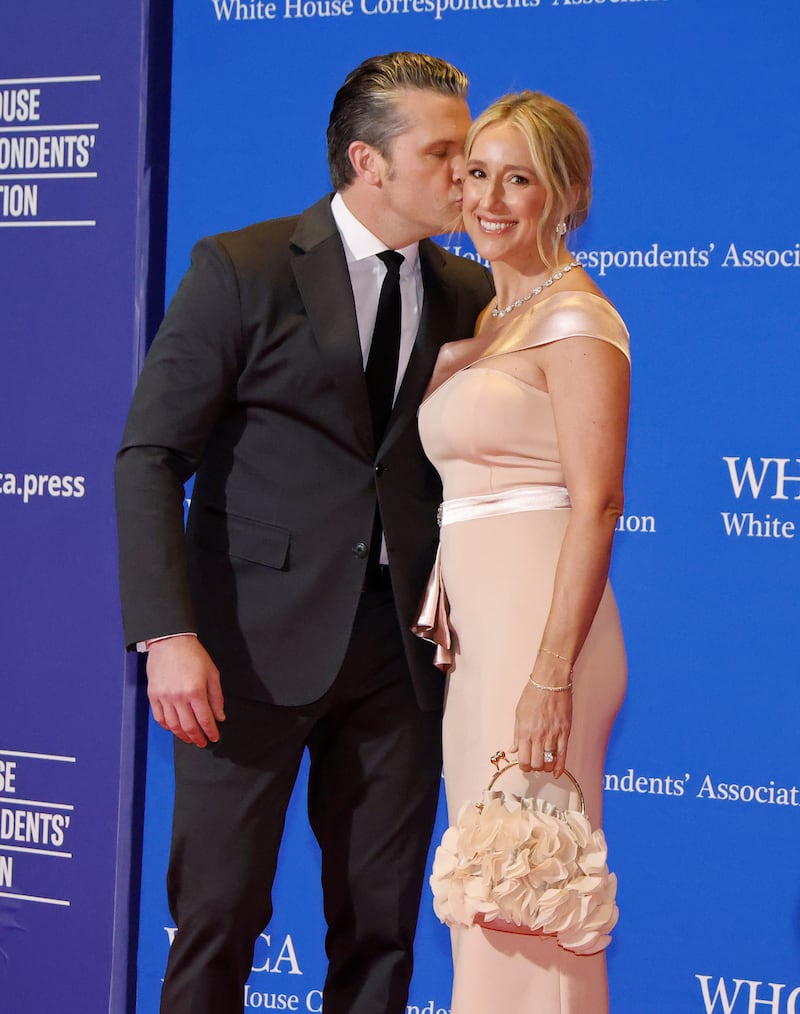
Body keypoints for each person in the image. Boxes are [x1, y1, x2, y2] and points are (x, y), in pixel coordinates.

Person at [114, 52, 494, 1014]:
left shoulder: (468, 292)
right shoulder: (242, 269)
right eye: (442, 152)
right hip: (242, 648)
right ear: (368, 162)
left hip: (401, 654)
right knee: (218, 917)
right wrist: (168, 633)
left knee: (381, 929)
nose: (467, 173)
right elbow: (151, 456)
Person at [414, 91, 630, 1013]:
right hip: (483, 644)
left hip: (542, 643)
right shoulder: (494, 320)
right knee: (491, 895)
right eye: (477, 175)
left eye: (520, 180)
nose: (490, 200)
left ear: (567, 195)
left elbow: (599, 502)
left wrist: (550, 674)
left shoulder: (576, 320)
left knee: (532, 892)